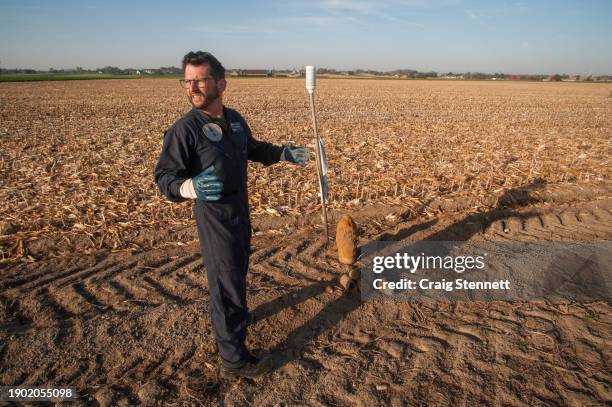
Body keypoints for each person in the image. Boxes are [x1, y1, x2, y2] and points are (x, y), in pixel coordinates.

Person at [154, 51, 310, 378]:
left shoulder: (234, 119)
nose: (192, 87)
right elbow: (164, 178)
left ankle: (234, 322)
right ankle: (235, 361)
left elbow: (252, 148)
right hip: (216, 220)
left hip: (241, 213)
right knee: (226, 285)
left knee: (236, 275)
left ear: (221, 83)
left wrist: (283, 153)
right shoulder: (185, 130)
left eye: (200, 79)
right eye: (188, 80)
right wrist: (189, 188)